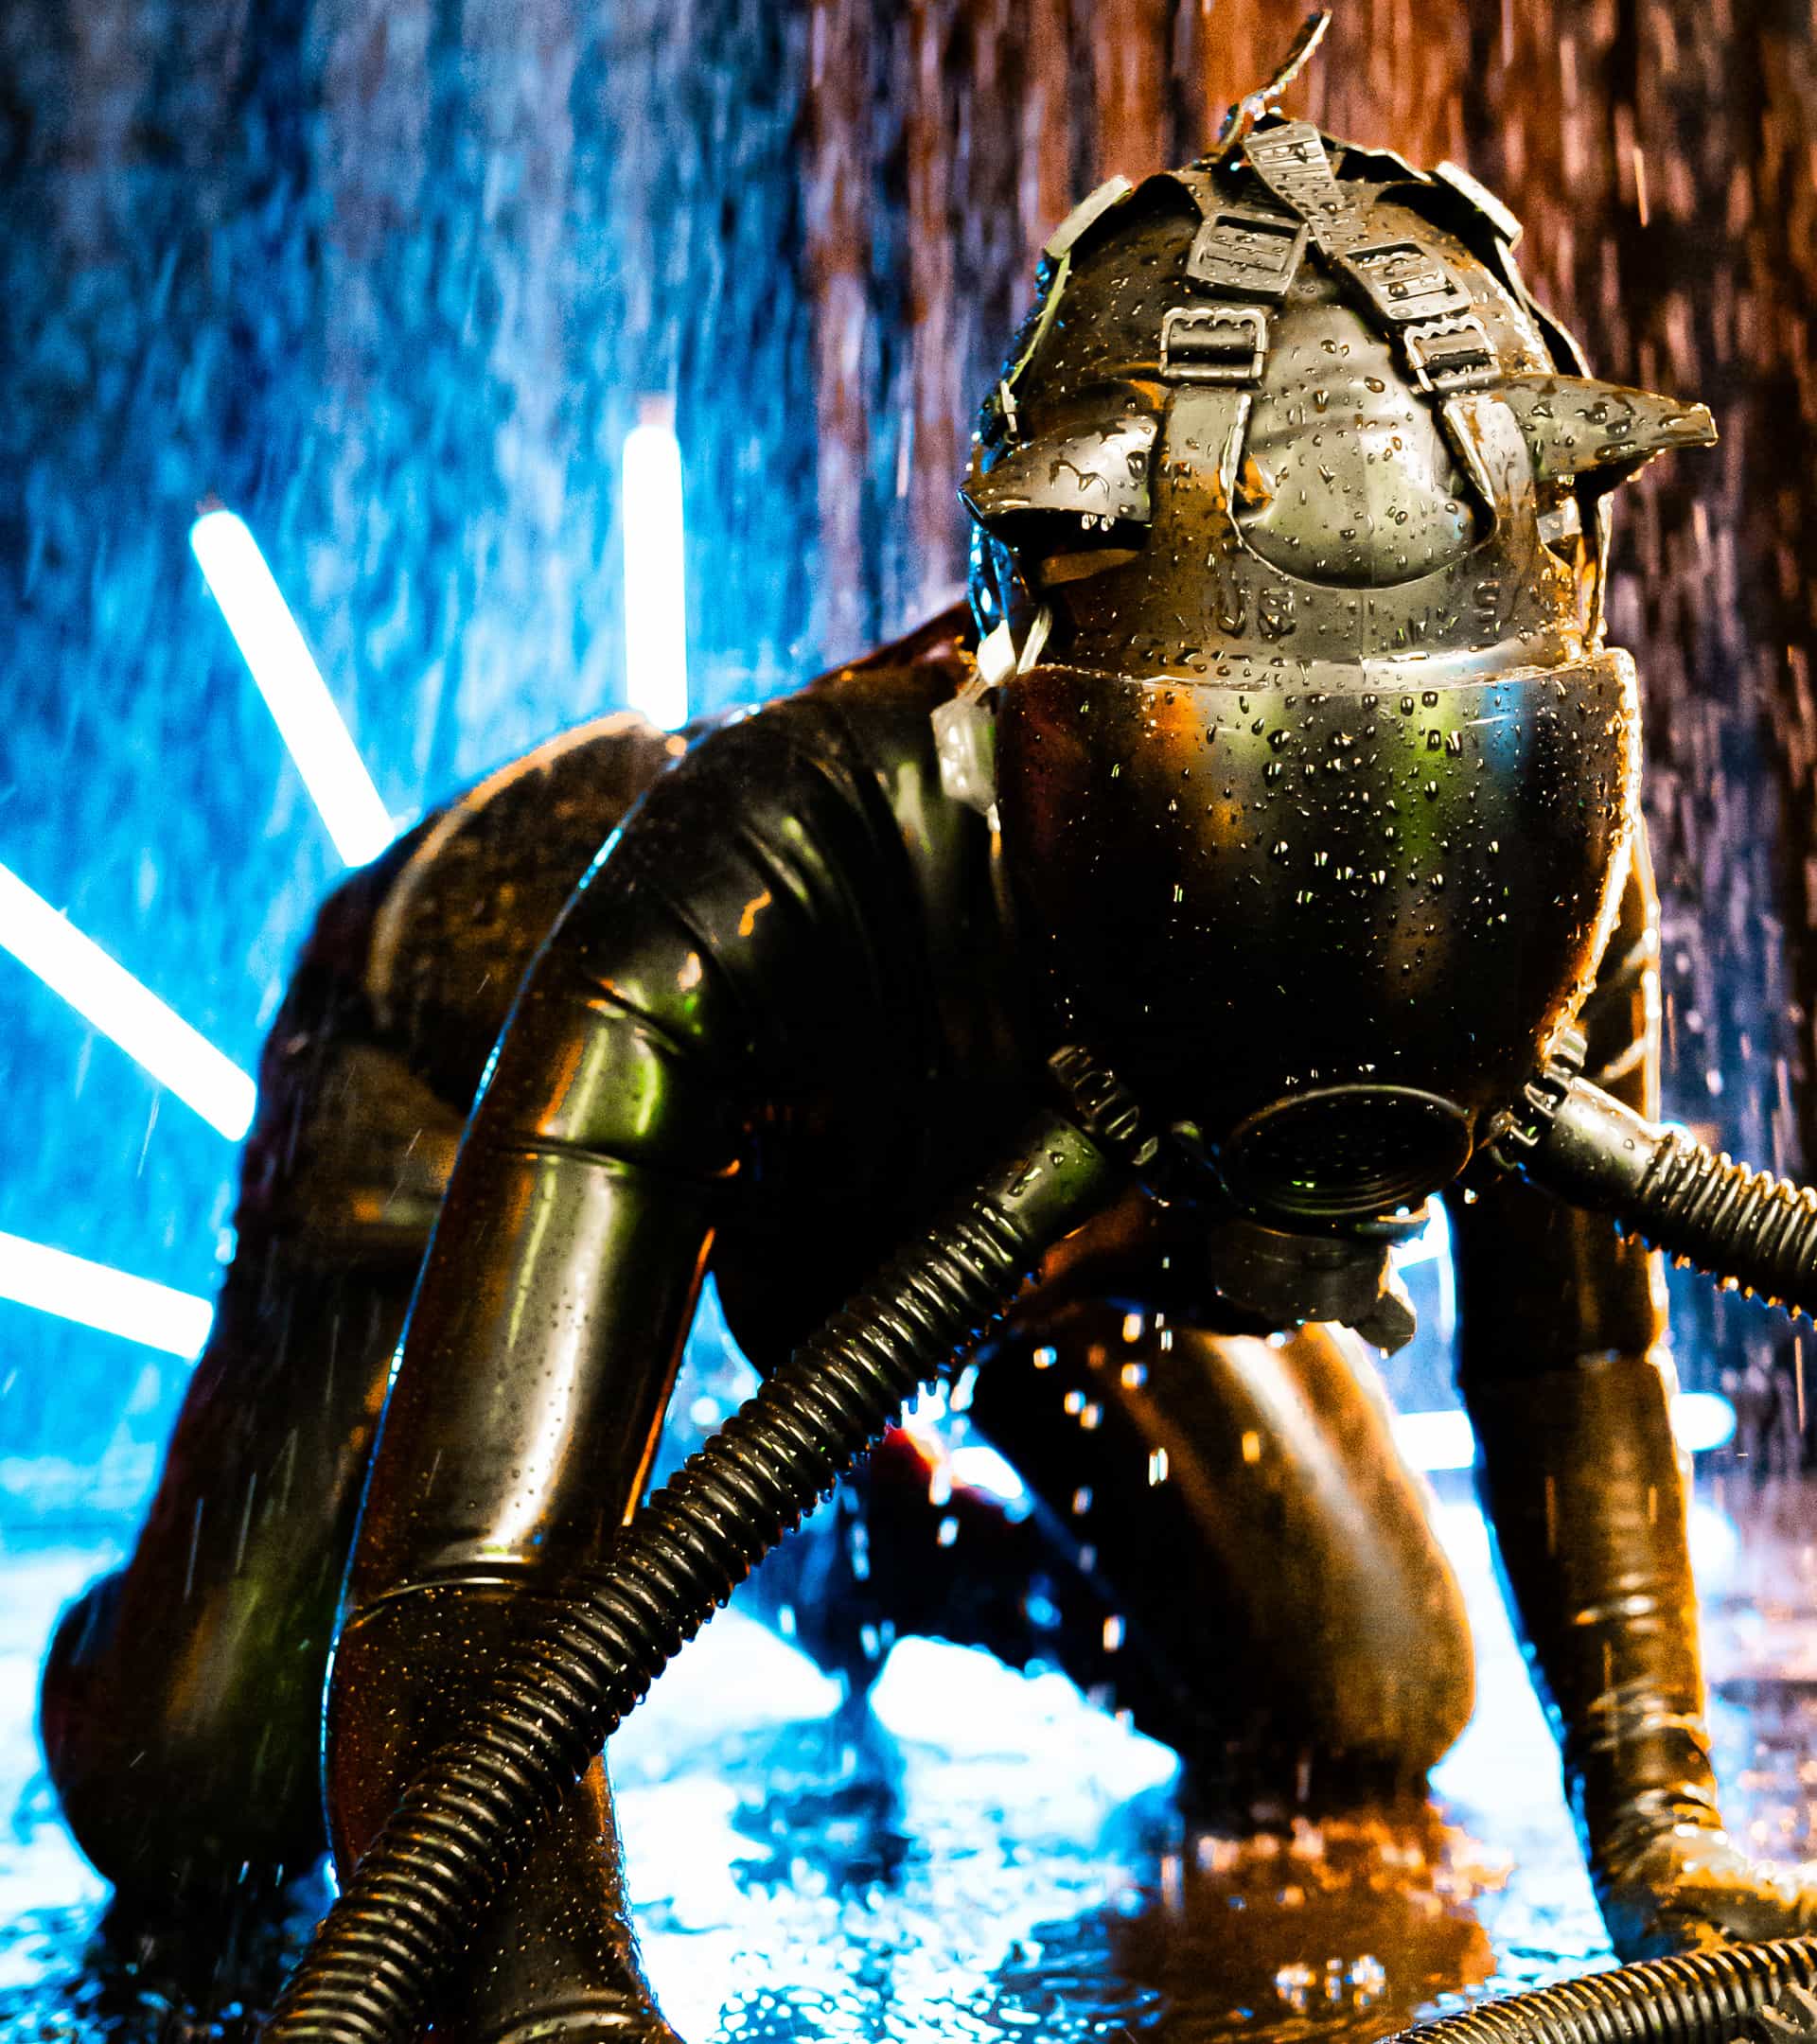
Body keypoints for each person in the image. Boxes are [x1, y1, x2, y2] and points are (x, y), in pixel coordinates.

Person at [42, 103, 1808, 2044]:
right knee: (197, 1791)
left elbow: (1576, 1351)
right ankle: (676, 1483)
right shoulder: (755, 876)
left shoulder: (1524, 840)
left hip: (1062, 1216)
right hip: (473, 1064)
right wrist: (565, 2013)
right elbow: (476, 1600)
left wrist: (1673, 1842)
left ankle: (862, 1546)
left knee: (1363, 1698)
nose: (1387, 877)